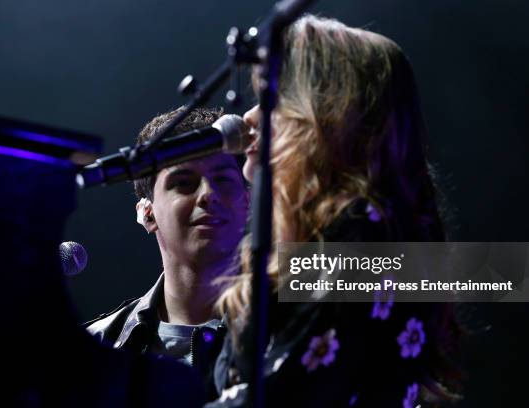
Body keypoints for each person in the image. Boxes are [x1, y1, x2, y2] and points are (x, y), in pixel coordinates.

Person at [208, 16, 462, 407]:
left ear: (331, 115)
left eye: (272, 101)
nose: (249, 118)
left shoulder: (363, 235)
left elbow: (279, 395)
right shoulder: (311, 246)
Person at [85, 107, 249, 398]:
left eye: (223, 180)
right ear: (147, 214)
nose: (208, 194)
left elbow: (356, 265)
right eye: (184, 183)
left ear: (248, 202)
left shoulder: (301, 297)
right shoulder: (97, 346)